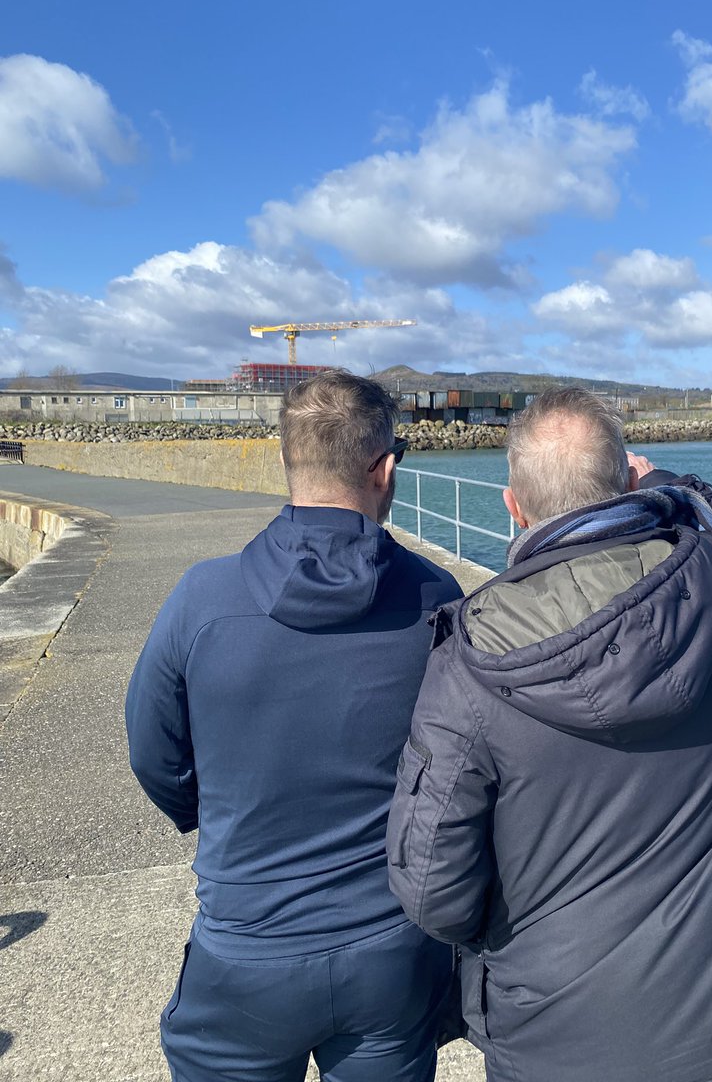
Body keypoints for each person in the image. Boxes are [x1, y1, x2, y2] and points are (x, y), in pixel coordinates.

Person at [387, 386, 712, 1082]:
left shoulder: (469, 664)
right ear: (627, 480)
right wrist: (653, 482)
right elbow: (711, 509)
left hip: (570, 1036)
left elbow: (431, 891)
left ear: (512, 505)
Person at [126, 370, 462, 1082]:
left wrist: (216, 812)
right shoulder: (438, 597)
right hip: (390, 950)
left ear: (287, 460)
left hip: (245, 951)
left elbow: (154, 754)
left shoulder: (201, 599)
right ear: (387, 469)